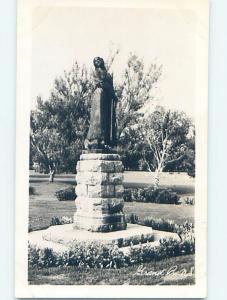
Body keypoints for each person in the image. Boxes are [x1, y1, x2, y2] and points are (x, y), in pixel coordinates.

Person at [85, 57, 117, 151]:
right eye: (95, 61)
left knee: (106, 119)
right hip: (98, 96)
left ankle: (105, 140)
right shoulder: (95, 73)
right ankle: (95, 139)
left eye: (99, 60)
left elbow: (110, 86)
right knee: (97, 118)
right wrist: (108, 89)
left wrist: (112, 94)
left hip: (107, 99)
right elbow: (99, 83)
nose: (97, 62)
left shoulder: (108, 74)